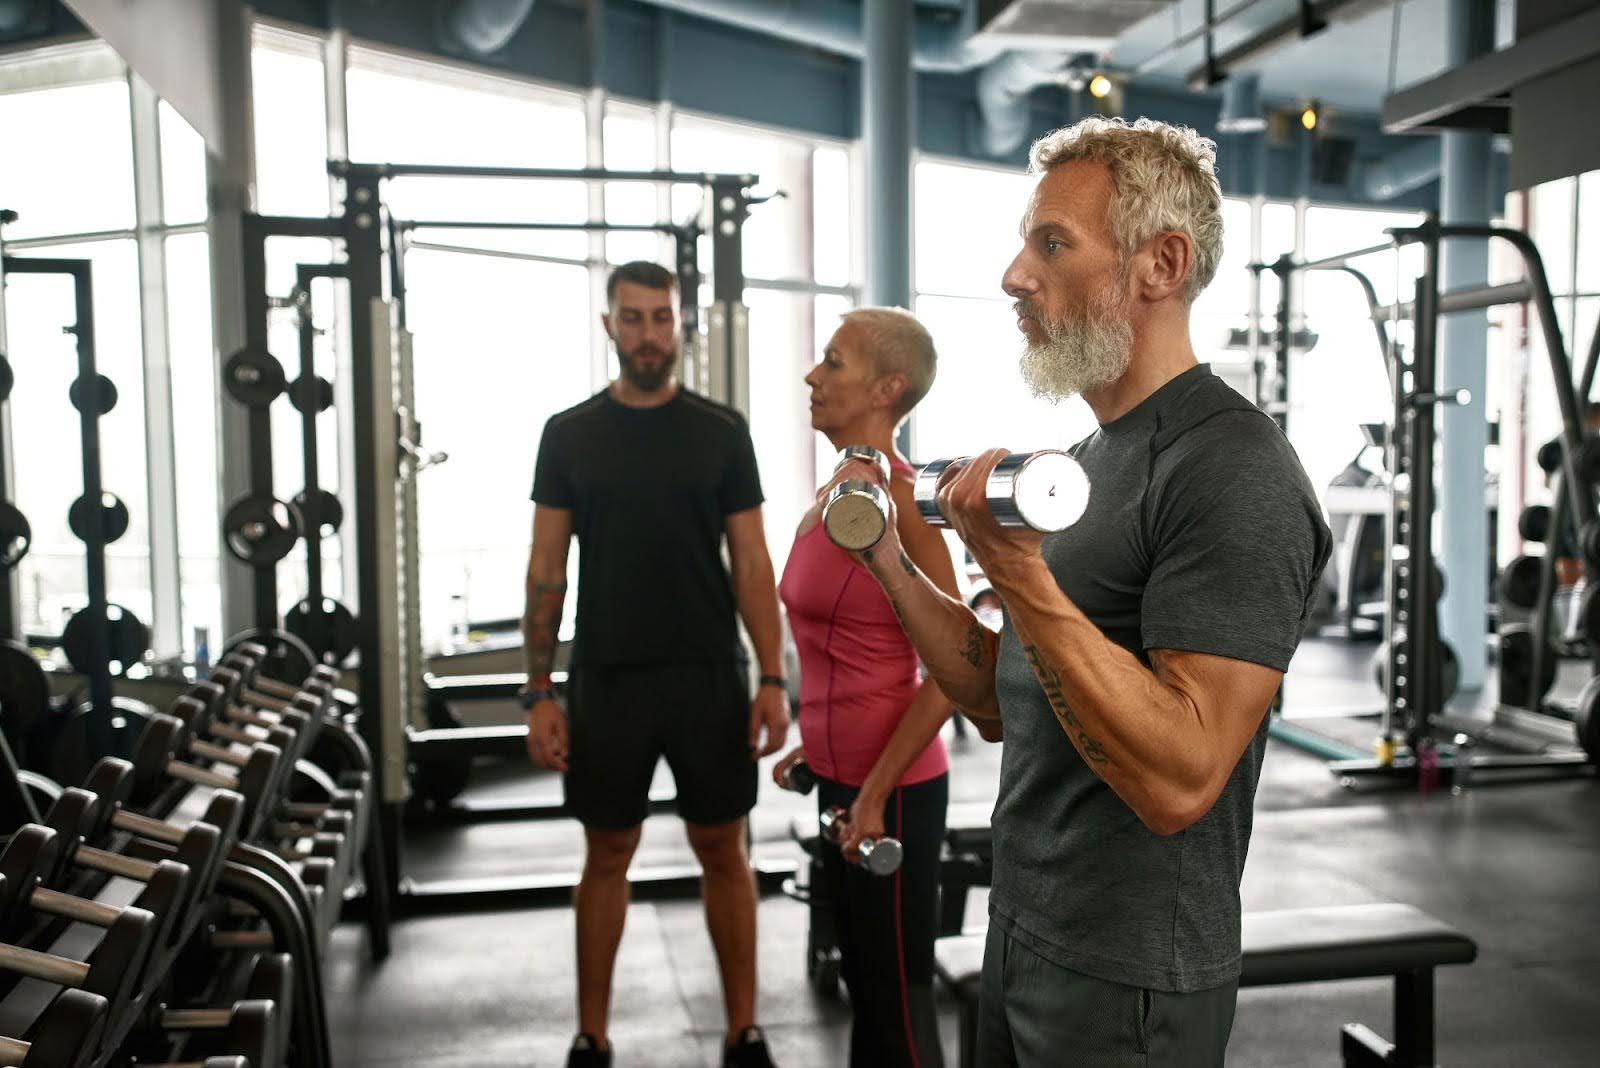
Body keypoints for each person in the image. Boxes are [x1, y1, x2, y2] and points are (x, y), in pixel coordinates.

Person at [825, 118, 1332, 1065]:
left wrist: (1016, 571)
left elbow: (1182, 777)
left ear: (1162, 263)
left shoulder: (1231, 468)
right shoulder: (1095, 457)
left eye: (1052, 243)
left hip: (1131, 977)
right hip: (1024, 935)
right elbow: (995, 695)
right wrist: (889, 557)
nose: (1016, 274)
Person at [522, 261, 790, 1068]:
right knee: (606, 855)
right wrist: (537, 689)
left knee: (723, 849)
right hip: (606, 679)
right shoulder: (568, 435)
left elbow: (751, 561)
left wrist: (772, 677)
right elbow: (545, 571)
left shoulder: (721, 430)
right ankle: (592, 1035)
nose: (648, 334)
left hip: (709, 675)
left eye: (662, 318)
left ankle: (742, 1031)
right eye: (633, 319)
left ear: (681, 326)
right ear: (609, 327)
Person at [772, 307, 961, 1067]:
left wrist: (877, 792)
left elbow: (955, 669)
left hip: (896, 791)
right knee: (864, 991)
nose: (813, 376)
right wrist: (813, 748)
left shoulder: (906, 505)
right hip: (844, 780)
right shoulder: (836, 496)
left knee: (900, 1008)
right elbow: (840, 647)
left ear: (888, 388)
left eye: (834, 362)